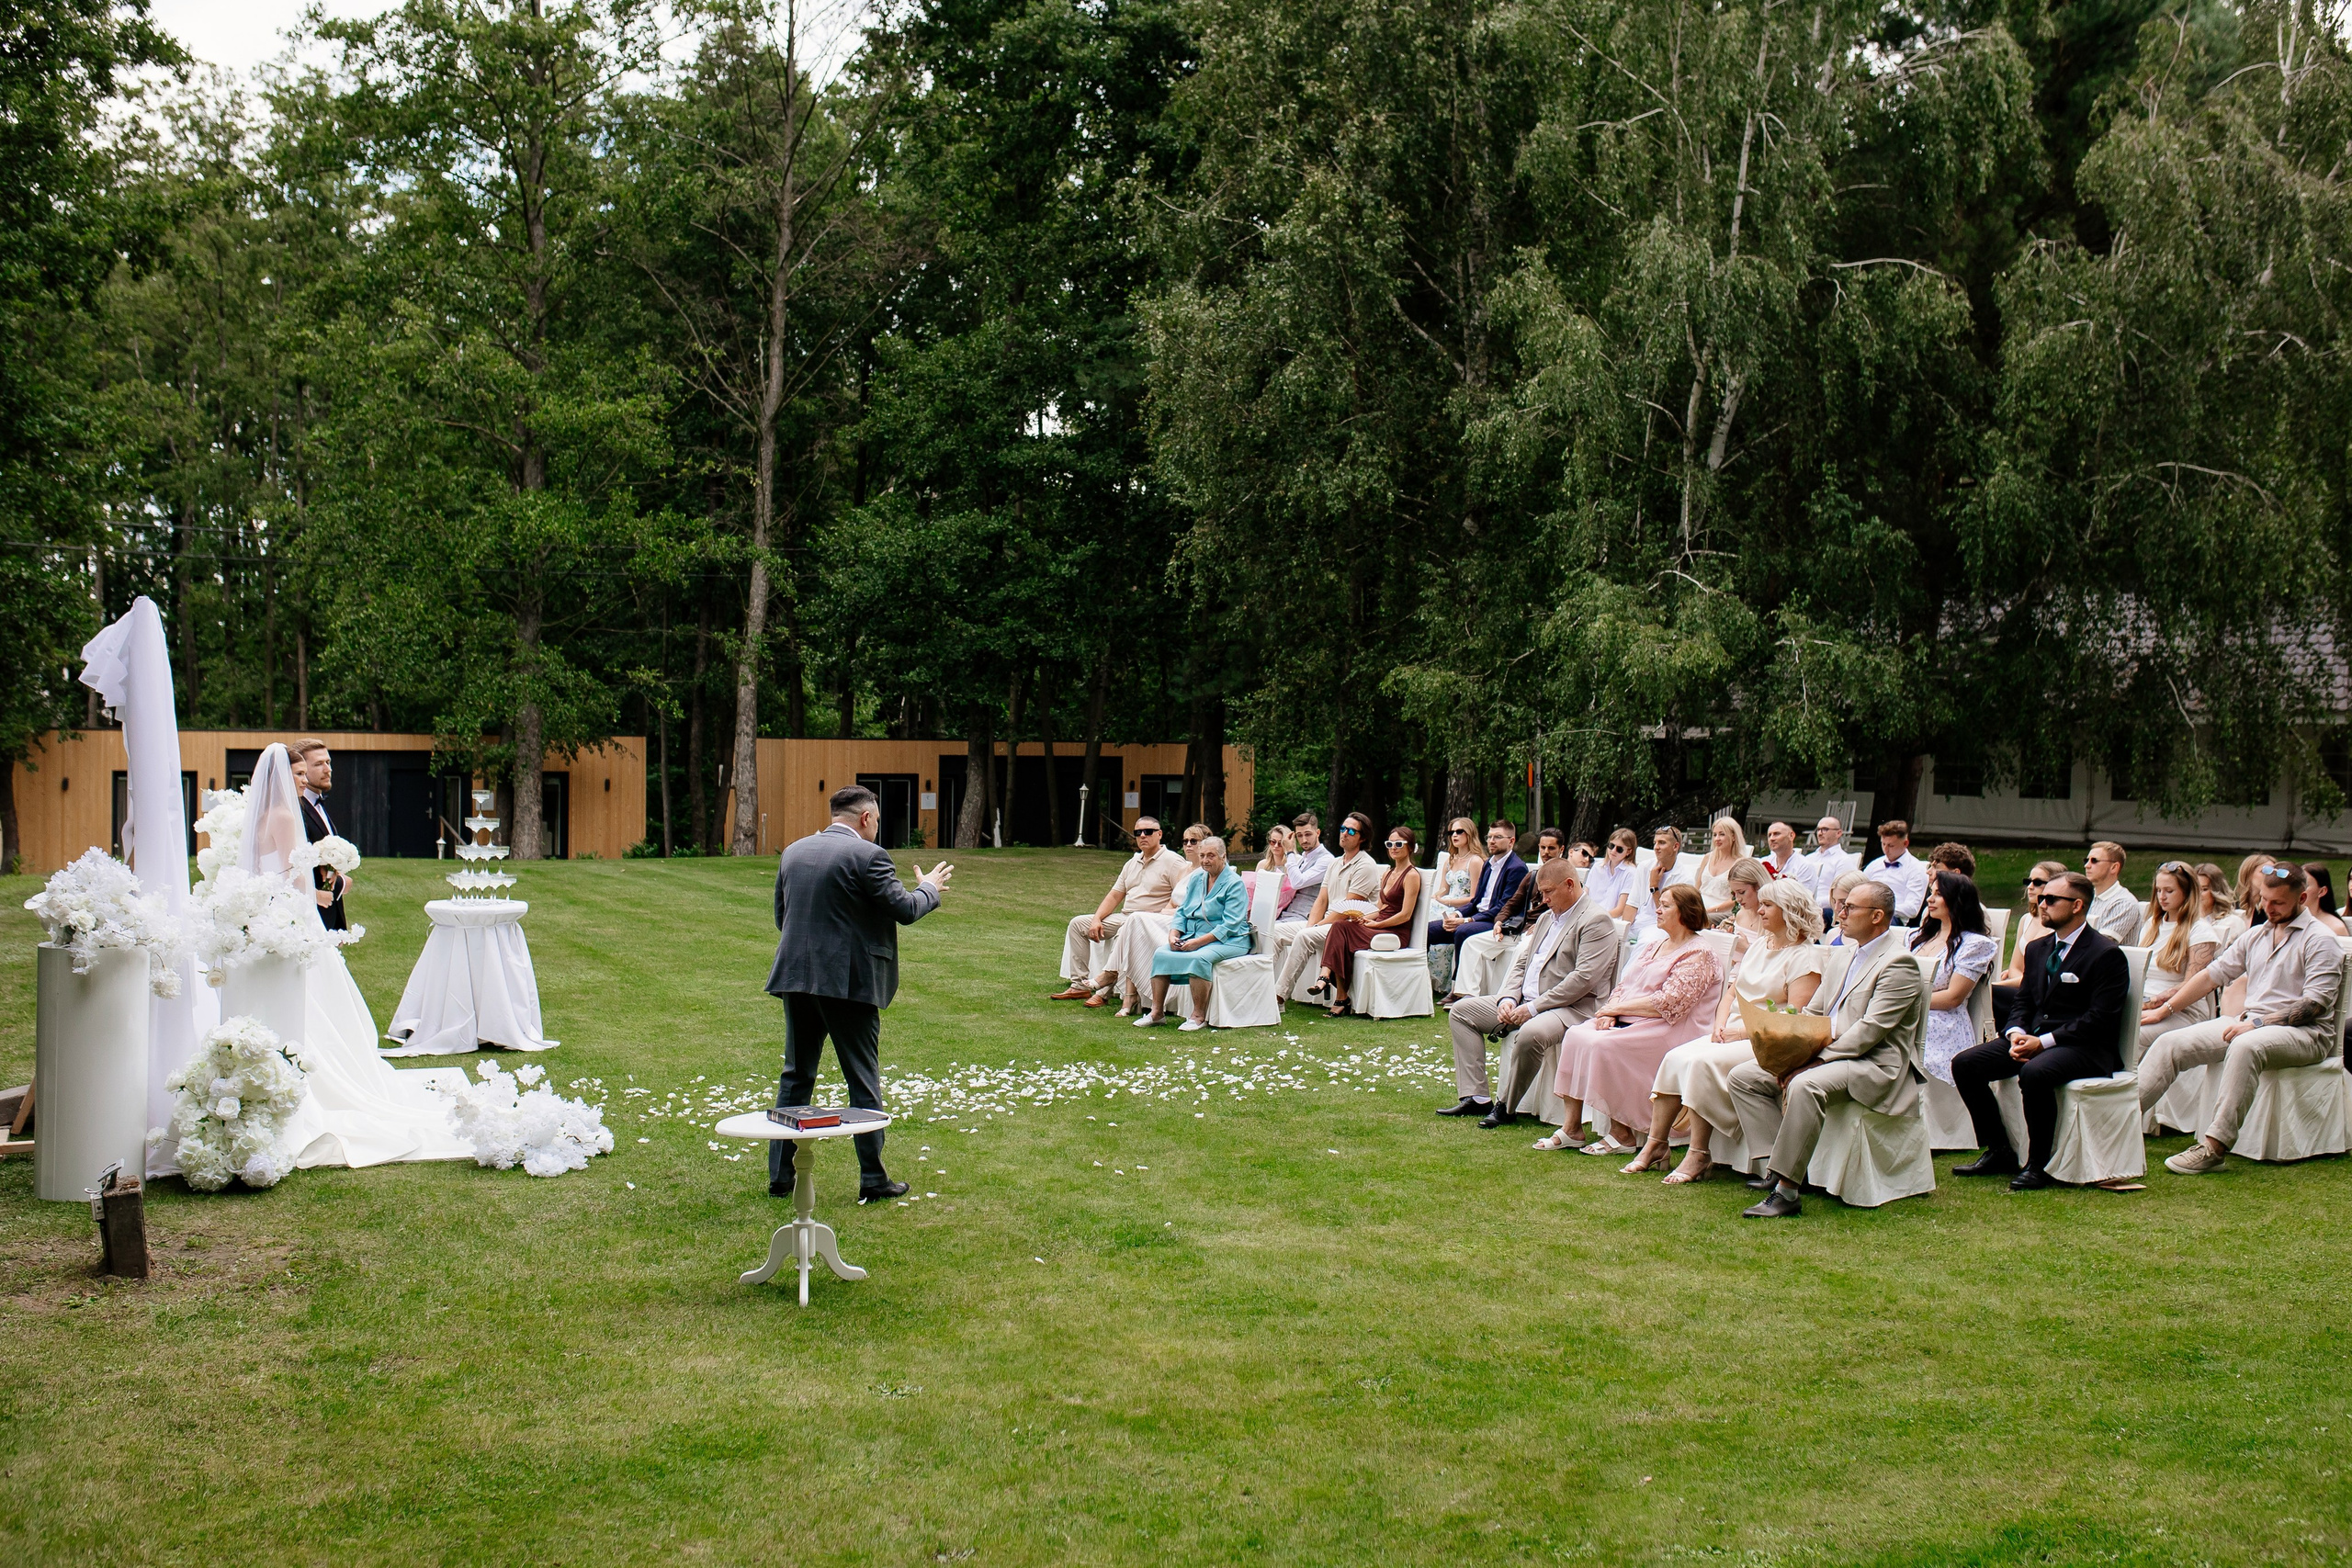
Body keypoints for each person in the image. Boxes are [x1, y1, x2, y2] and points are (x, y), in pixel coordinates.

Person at [196, 743, 475, 1172]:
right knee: (323, 999)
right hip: (294, 915)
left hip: (265, 914)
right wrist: (327, 891)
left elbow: (260, 873)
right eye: (298, 775)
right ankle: (331, 1078)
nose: (303, 781)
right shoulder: (286, 816)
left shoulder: (258, 819)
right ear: (281, 778)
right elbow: (297, 872)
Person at [766, 784, 951, 1203]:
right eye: (878, 821)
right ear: (866, 818)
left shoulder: (793, 851)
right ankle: (873, 1178)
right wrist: (930, 889)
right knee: (862, 1082)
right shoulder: (869, 856)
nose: (877, 829)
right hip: (849, 984)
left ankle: (781, 1176)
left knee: (796, 1077)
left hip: (797, 978)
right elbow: (904, 909)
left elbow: (783, 917)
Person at [1729, 880, 1928, 1217]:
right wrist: (1788, 1044)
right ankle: (1780, 1168)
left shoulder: (1899, 964)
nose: (1841, 912)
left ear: (1877, 916)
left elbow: (1870, 1031)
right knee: (1743, 1077)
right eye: (1842, 905)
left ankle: (1787, 1193)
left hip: (1874, 1064)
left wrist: (1813, 1062)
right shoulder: (1844, 954)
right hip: (1828, 1052)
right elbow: (1815, 1014)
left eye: (1851, 908)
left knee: (1804, 1084)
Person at [2137, 861, 2346, 1175]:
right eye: (2264, 899)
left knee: (2246, 1045)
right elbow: (2210, 977)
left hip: (2307, 1034)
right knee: (2170, 1042)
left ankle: (2214, 1147)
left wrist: (2258, 1023)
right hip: (2249, 1022)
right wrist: (2166, 1010)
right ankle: (2120, 1121)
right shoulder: (2257, 936)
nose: (2268, 908)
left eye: (2278, 903)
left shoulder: (2320, 939)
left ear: (2302, 900)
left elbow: (2316, 1004)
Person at [1628, 877, 1824, 1182]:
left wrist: (1743, 1033)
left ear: (1790, 910)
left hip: (1765, 1038)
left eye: (1768, 905)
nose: (1759, 911)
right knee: (1675, 1057)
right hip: (1728, 1030)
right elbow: (1731, 993)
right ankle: (1656, 1144)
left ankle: (1699, 1153)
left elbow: (1793, 1016)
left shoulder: (1806, 956)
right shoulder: (1761, 945)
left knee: (1700, 1063)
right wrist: (1720, 1025)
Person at [1948, 872, 2127, 1188]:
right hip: (2035, 1038)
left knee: (2034, 1073)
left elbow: (2100, 1019)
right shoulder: (2039, 948)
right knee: (1965, 1064)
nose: (2041, 904)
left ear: (2077, 906)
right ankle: (1999, 1148)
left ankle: (2038, 1164)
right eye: (2041, 897)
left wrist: (2041, 1043)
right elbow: (2024, 1001)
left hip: (2085, 1047)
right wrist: (2016, 1032)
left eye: (2051, 899)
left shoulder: (2106, 954)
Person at [1539, 884, 1722, 1155]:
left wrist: (1615, 1011)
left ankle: (1622, 1134)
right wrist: (1610, 1009)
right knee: (1577, 1035)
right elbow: (1624, 984)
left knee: (1606, 1045)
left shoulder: (1699, 953)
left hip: (1672, 1027)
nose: (1657, 910)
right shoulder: (1655, 946)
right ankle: (1572, 1128)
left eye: (1666, 905)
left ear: (1685, 912)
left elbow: (1670, 1003)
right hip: (1633, 1017)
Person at [1440, 858, 1622, 1123]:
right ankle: (1476, 1097)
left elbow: (1584, 979)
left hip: (1571, 1008)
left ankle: (1507, 1107)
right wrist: (1508, 998)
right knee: (1461, 1011)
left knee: (1531, 1033)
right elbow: (1523, 963)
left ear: (1569, 885)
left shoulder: (1596, 921)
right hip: (1526, 999)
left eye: (1548, 892)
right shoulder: (1548, 918)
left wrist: (1532, 1008)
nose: (1543, 899)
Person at [1052, 817, 1189, 1006]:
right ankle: (1079, 986)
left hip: (1149, 921)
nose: (1142, 836)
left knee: (1124, 932)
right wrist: (1097, 918)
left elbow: (1181, 897)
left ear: (1159, 834)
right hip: (1125, 916)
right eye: (1137, 833)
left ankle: (1104, 992)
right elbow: (1115, 895)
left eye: (1148, 832)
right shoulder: (1132, 862)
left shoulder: (1173, 862)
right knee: (1078, 924)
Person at [1138, 836, 1253, 1032]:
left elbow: (1231, 925)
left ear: (1223, 856)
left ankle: (1198, 1016)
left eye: (1211, 856)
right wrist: (1174, 934)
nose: (1205, 860)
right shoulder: (1198, 877)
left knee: (1199, 958)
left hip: (1232, 940)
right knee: (1161, 953)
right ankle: (1157, 1013)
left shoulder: (1234, 883)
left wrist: (1198, 943)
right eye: (1202, 856)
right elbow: (1183, 911)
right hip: (1196, 935)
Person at [1445, 829, 1565, 1007]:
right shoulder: (1533, 875)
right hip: (1518, 929)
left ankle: (1507, 999)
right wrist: (1499, 922)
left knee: (1521, 952)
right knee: (1472, 943)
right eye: (1543, 848)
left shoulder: (1567, 879)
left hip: (1545, 933)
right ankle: (1468, 997)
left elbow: (1565, 912)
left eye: (1551, 848)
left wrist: (1543, 925)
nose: (1546, 853)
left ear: (1561, 850)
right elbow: (1511, 903)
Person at [1275, 813, 1384, 1003]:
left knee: (1304, 935)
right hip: (1325, 923)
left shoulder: (1365, 865)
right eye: (1343, 829)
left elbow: (1346, 911)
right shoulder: (1335, 862)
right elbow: (1321, 899)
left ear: (1363, 837)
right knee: (1274, 932)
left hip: (1348, 928)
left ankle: (1279, 996)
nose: (1344, 834)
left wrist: (1316, 927)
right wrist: (1312, 925)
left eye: (1351, 831)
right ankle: (1263, 988)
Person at [1319, 824, 1420, 1015]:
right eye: (1390, 843)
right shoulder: (1388, 873)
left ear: (1410, 846)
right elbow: (1381, 908)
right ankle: (1338, 992)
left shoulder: (1412, 875)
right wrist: (1364, 918)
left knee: (1340, 930)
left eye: (1399, 843)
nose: (1394, 847)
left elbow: (1406, 914)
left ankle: (1331, 983)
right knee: (1341, 926)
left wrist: (1378, 924)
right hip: (1378, 925)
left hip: (1395, 931)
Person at [1913, 871, 1997, 1086]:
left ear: (1957, 900)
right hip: (1908, 1016)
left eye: (1938, 894)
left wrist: (1901, 1002)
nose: (1929, 899)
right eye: (1931, 893)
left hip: (1941, 1025)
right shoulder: (1917, 938)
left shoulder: (1974, 944)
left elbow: (1953, 997)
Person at [2136, 861, 2220, 1058]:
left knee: (2132, 1034)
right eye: (2158, 890)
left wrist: (2152, 1003)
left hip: (2181, 1010)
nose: (2161, 897)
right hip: (2144, 1002)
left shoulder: (2200, 931)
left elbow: (2193, 984)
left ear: (2187, 892)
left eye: (2169, 891)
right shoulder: (2152, 925)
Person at [1431, 820, 1527, 965]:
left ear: (1511, 841)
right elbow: (1476, 900)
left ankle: (1457, 984)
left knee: (1463, 931)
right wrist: (1457, 914)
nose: (1491, 841)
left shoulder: (1517, 868)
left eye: (1498, 837)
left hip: (1496, 921)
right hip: (1477, 916)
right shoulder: (1488, 864)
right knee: (1430, 930)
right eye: (1489, 837)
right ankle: (1423, 983)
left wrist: (1466, 920)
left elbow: (1503, 907)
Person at [1991, 860, 2070, 1031]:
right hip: (2021, 989)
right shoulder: (2026, 920)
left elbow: (2039, 976)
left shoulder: (2058, 927)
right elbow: (2015, 967)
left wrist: (1996, 986)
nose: (2030, 887)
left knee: (1989, 994)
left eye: (2037, 882)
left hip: (2042, 994)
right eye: (2029, 881)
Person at [288, 738, 350, 931]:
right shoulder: (295, 811)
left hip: (328, 919)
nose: (327, 769)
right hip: (308, 919)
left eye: (328, 762)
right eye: (319, 764)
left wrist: (337, 872)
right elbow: (293, 866)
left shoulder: (319, 805)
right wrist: (340, 883)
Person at [1426, 818, 1485, 993]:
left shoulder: (1475, 861)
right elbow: (1444, 888)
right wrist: (1437, 895)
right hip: (1446, 903)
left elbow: (1475, 897)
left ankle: (1444, 982)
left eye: (1460, 832)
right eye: (1452, 832)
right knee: (1426, 911)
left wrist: (1448, 902)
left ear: (1470, 833)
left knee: (1436, 917)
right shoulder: (1450, 859)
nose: (1455, 835)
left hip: (1463, 908)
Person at [1861, 819, 1928, 925]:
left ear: (1905, 843)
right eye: (1883, 844)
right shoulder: (1875, 865)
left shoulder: (1916, 869)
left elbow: (1912, 909)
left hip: (1893, 918)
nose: (1886, 850)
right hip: (1866, 912)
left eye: (1891, 846)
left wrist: (1881, 909)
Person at [1793, 814, 1858, 920]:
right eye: (1818, 830)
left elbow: (1843, 894)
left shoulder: (1843, 860)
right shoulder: (1809, 858)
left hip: (1826, 909)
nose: (1819, 833)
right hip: (1804, 905)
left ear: (1838, 833)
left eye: (1825, 829)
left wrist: (1812, 903)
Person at [1637, 825, 1697, 936]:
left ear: (1675, 846)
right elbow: (1632, 904)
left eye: (1662, 843)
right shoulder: (1644, 867)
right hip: (1638, 921)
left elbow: (1670, 917)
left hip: (1663, 927)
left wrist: (1654, 886)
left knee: (1646, 939)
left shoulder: (1685, 879)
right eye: (1655, 843)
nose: (1656, 847)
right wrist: (1624, 927)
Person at [1277, 813, 1333, 924]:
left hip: (1306, 917)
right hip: (1287, 914)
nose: (1304, 840)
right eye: (1299, 835)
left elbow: (1298, 882)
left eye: (1308, 834)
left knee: (1266, 932)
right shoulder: (1304, 857)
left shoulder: (1326, 860)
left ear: (1317, 833)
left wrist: (1289, 852)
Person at [2084, 840, 2140, 942]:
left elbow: (2101, 946)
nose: (2087, 865)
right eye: (2086, 860)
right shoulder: (2085, 898)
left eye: (2094, 860)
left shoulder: (2124, 904)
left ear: (2114, 867)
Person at [1692, 818, 1745, 922]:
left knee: (1696, 920)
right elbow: (1697, 887)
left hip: (1722, 912)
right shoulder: (1708, 857)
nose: (1717, 839)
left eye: (1722, 834)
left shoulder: (1740, 863)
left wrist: (1711, 910)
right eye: (1715, 835)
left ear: (1733, 837)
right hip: (1700, 907)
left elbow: (1737, 898)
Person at [1587, 828, 1644, 923]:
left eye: (1619, 849)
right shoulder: (1597, 867)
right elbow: (1585, 894)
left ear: (1629, 851)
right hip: (1589, 917)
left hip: (1611, 921)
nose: (1613, 851)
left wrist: (1595, 918)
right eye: (1611, 845)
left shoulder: (1631, 873)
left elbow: (1620, 909)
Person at [2192, 862, 2242, 944]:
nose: (2198, 894)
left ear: (2216, 892)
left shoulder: (2232, 922)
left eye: (2204, 889)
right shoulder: (2184, 920)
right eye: (2195, 889)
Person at [2301, 862, 2349, 937]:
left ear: (2322, 891)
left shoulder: (2335, 928)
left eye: (2305, 885)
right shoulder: (2288, 921)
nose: (2298, 889)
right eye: (2296, 884)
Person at [1822, 870, 1870, 943]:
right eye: (1834, 901)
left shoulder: (1874, 938)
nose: (1836, 908)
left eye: (1843, 902)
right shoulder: (1832, 935)